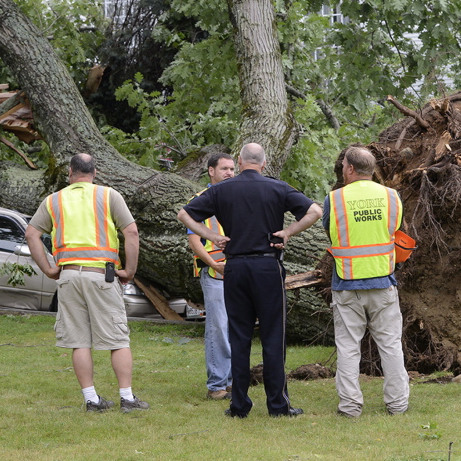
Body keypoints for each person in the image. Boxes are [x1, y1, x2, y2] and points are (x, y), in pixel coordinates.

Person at [178, 142, 322, 418]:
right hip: (267, 267)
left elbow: (184, 214)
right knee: (273, 336)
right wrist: (288, 232)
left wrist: (212, 237)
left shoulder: (221, 190)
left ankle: (239, 405)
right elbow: (315, 211)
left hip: (236, 268)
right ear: (263, 164)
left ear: (240, 163)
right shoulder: (277, 187)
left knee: (239, 335)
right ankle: (278, 405)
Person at [25, 153, 150, 414]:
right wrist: (129, 269)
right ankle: (127, 398)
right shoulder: (108, 196)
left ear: (70, 173)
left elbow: (32, 233)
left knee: (79, 340)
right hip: (101, 274)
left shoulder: (54, 200)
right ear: (95, 172)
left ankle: (91, 400)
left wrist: (49, 269)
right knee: (117, 339)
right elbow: (131, 232)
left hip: (69, 276)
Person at [323, 146, 409, 417]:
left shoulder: (334, 199)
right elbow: (394, 230)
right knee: (391, 346)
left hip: (347, 284)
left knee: (348, 349)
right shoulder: (391, 197)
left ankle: (350, 407)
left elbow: (330, 231)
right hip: (383, 283)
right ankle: (398, 405)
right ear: (371, 170)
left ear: (349, 168)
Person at [187, 152, 236, 400]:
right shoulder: (201, 200)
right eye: (225, 168)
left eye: (232, 169)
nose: (229, 172)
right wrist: (214, 266)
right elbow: (194, 240)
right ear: (211, 171)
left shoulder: (238, 197)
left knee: (235, 329)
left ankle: (230, 382)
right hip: (215, 274)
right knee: (218, 329)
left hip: (239, 274)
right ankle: (217, 385)